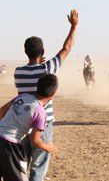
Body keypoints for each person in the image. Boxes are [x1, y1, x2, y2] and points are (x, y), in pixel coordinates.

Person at [13, 10, 78, 181]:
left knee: (22, 164)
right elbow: (67, 48)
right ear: (42, 51)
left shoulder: (18, 72)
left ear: (25, 51)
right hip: (42, 124)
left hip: (22, 123)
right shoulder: (47, 69)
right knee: (38, 168)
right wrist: (74, 27)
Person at [0, 74, 59, 181]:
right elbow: (35, 140)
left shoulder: (22, 96)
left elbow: (1, 111)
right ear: (53, 93)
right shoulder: (41, 113)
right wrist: (48, 148)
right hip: (10, 146)